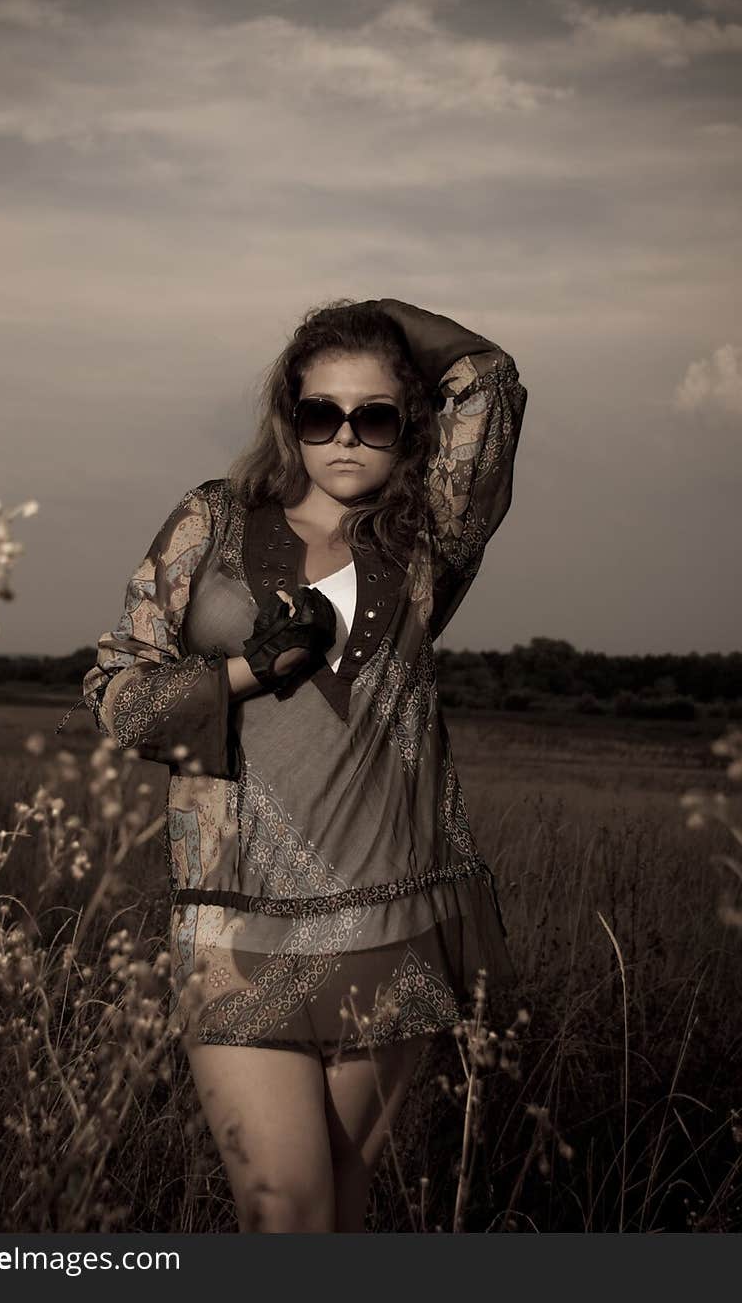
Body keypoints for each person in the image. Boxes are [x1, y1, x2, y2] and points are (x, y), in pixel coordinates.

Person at [61, 297, 528, 1232]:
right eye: (320, 413)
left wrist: (368, 314)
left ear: (413, 426)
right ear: (289, 415)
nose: (345, 437)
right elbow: (116, 690)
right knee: (284, 1214)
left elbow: (489, 376)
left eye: (376, 416)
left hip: (392, 920)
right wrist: (242, 668)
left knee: (339, 1219)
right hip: (233, 929)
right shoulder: (214, 522)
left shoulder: (429, 543)